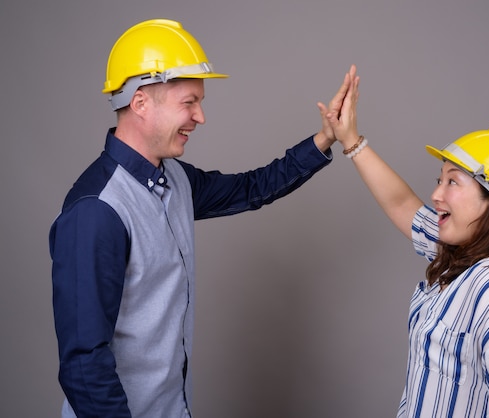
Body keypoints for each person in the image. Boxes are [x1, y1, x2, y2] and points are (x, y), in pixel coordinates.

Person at [49, 18, 354, 417]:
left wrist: (325, 138)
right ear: (140, 102)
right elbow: (84, 365)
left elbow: (251, 188)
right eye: (189, 102)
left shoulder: (173, 178)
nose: (201, 117)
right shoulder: (96, 211)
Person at [327, 68, 489, 417]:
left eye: (453, 182)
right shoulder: (460, 255)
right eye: (439, 179)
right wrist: (350, 140)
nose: (435, 194)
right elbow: (403, 205)